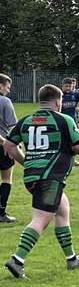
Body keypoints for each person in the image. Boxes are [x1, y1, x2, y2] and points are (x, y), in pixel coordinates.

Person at [3, 84, 79, 279]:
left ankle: (71, 258)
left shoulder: (25, 121)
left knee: (63, 209)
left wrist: (25, 161)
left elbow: (8, 145)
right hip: (50, 177)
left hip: (33, 176)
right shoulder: (63, 119)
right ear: (58, 102)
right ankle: (17, 260)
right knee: (41, 218)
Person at [0, 73, 18, 223]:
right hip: (3, 146)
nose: (8, 90)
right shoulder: (5, 101)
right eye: (7, 86)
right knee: (6, 178)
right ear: (1, 86)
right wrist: (15, 146)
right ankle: (1, 213)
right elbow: (13, 127)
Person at [61, 77, 79, 167]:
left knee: (74, 141)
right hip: (62, 122)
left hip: (73, 122)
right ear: (62, 86)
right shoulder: (59, 95)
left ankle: (73, 160)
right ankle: (61, 159)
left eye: (70, 86)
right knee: (62, 141)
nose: (68, 88)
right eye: (66, 86)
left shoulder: (75, 95)